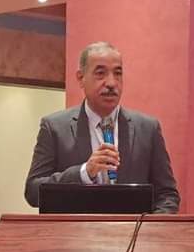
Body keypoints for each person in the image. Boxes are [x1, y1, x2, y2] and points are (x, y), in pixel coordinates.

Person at [24, 41, 180, 213]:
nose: (111, 83)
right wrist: (84, 173)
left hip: (134, 230)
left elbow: (167, 195)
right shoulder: (54, 127)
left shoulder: (148, 129)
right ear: (81, 78)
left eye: (117, 73)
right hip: (75, 230)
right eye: (100, 73)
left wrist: (149, 227)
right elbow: (33, 191)